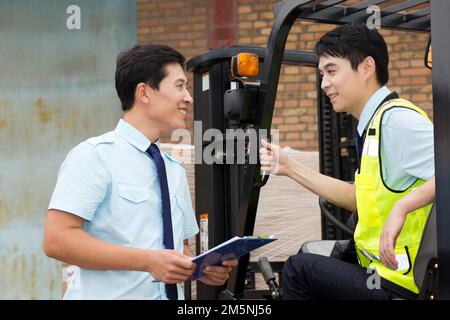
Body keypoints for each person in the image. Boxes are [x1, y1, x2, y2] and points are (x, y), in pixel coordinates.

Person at [44, 43, 237, 300]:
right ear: (144, 93)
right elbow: (57, 240)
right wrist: (148, 261)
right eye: (179, 86)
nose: (188, 97)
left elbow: (179, 248)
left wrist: (199, 267)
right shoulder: (94, 156)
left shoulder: (174, 170)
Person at [259, 24, 435, 300]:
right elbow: (360, 199)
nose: (324, 84)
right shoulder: (375, 124)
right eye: (321, 74)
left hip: (400, 284)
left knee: (299, 270)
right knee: (314, 255)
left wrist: (403, 207)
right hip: (383, 273)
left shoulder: (397, 120)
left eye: (331, 71)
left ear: (366, 67)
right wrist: (290, 167)